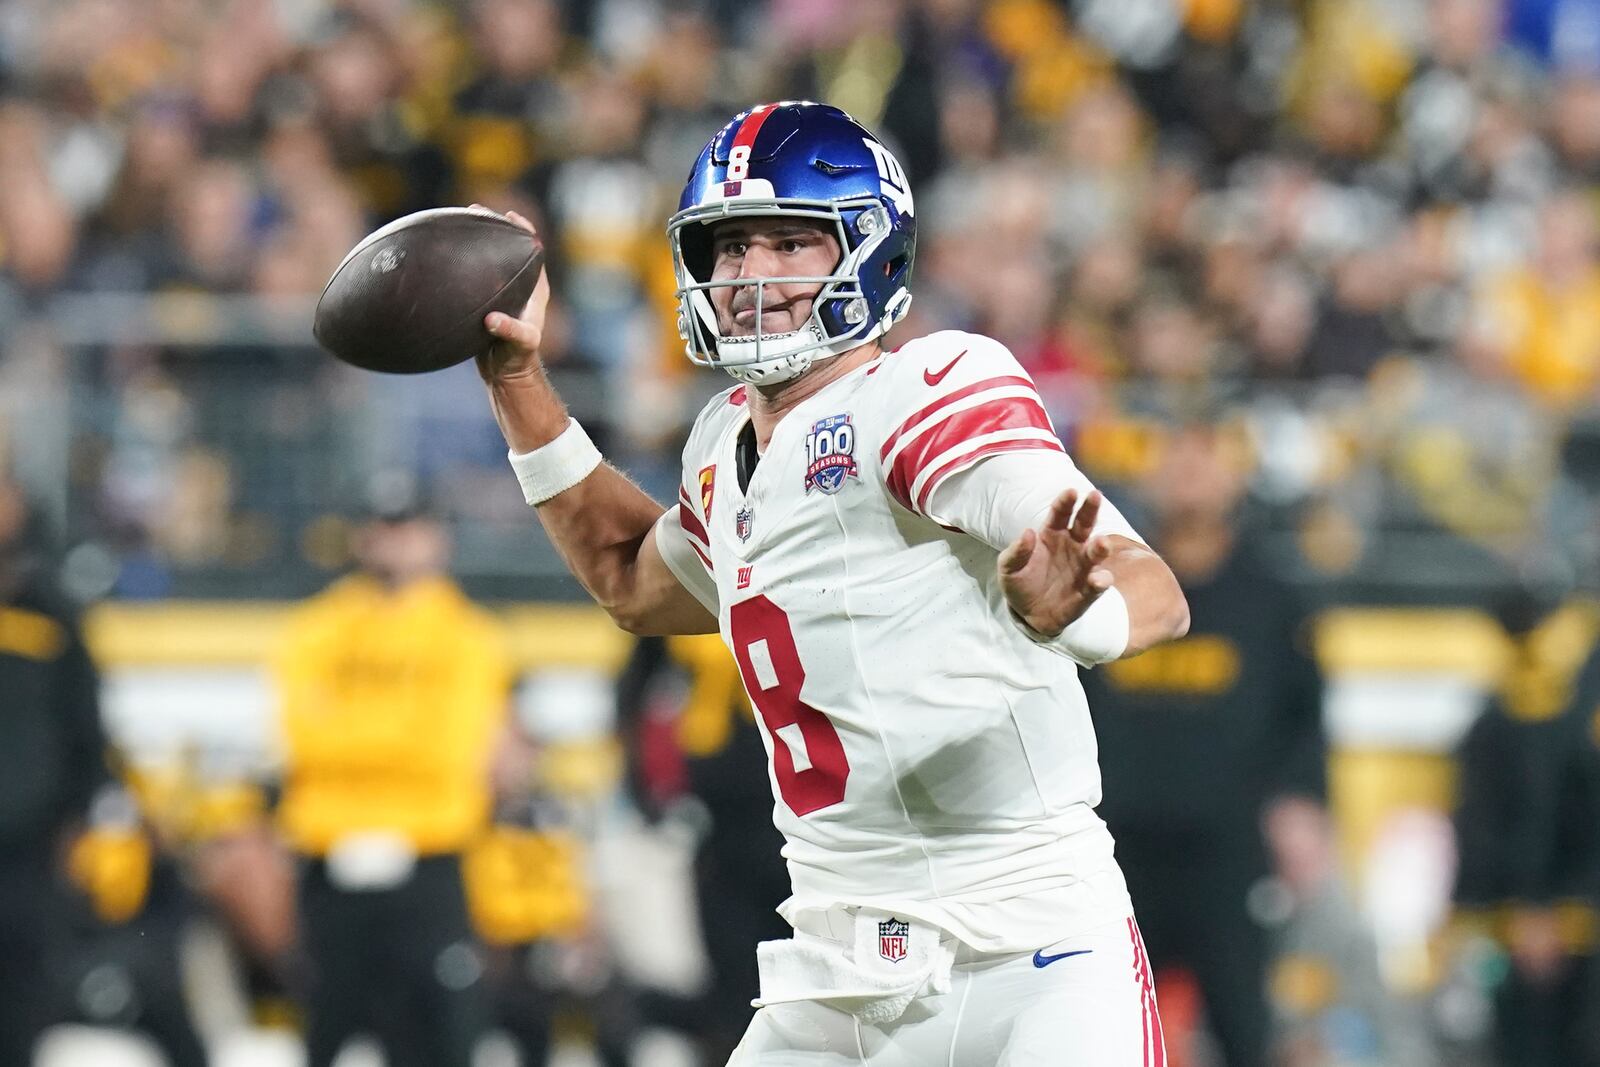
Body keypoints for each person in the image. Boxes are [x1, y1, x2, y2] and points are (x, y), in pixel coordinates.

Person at [475, 101, 1190, 1063]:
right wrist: (518, 380)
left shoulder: (921, 391)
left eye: (789, 243)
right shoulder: (720, 450)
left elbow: (1151, 588)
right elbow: (630, 580)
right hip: (836, 977)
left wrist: (1082, 616)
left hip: (1031, 953)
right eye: (728, 249)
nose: (749, 276)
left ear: (871, 252)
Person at [1081, 423, 1327, 1067]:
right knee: (1103, 1028)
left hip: (1227, 852)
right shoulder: (1106, 584)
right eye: (1176, 460)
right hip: (1115, 848)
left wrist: (1300, 804)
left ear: (1234, 479)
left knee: (1244, 1027)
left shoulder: (1271, 598)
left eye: (1204, 461)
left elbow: (1305, 714)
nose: (1188, 477)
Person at [272, 491, 511, 1067]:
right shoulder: (314, 628)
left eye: (411, 528)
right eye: (385, 527)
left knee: (441, 1034)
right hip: (332, 859)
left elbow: (450, 750)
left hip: (430, 856)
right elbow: (304, 737)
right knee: (324, 1027)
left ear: (439, 538)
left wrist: (355, 736)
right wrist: (401, 734)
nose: (397, 542)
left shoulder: (469, 635)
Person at [0, 478, 111, 1064]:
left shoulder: (50, 610)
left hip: (30, 848)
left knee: (24, 993)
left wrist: (79, 820)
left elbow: (85, 726)